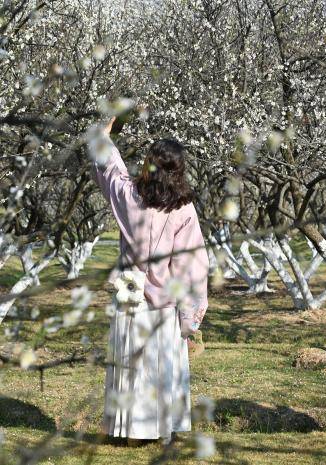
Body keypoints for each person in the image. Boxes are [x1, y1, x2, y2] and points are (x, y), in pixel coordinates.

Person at [90, 116, 210, 444]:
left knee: (132, 368)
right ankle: (159, 429)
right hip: (165, 304)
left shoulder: (130, 198)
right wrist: (191, 318)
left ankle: (131, 432)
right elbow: (194, 266)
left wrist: (102, 136)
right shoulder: (183, 210)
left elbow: (111, 171)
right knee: (161, 366)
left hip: (131, 298)